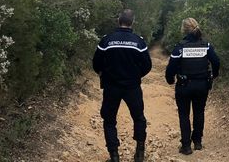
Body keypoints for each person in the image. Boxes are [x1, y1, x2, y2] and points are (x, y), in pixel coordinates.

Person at [93, 9, 152, 162]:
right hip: (132, 87)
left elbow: (96, 63)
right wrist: (135, 75)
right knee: (139, 117)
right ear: (132, 22)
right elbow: (147, 65)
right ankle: (139, 153)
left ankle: (114, 156)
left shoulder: (107, 40)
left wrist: (103, 74)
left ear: (118, 20)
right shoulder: (138, 41)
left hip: (111, 86)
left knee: (109, 119)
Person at [165, 18, 220, 155]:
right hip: (202, 85)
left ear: (184, 30)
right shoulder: (205, 45)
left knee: (184, 114)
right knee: (199, 112)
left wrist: (170, 79)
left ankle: (186, 146)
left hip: (184, 85)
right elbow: (216, 61)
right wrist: (215, 75)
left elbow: (171, 67)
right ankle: (197, 142)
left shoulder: (180, 47)